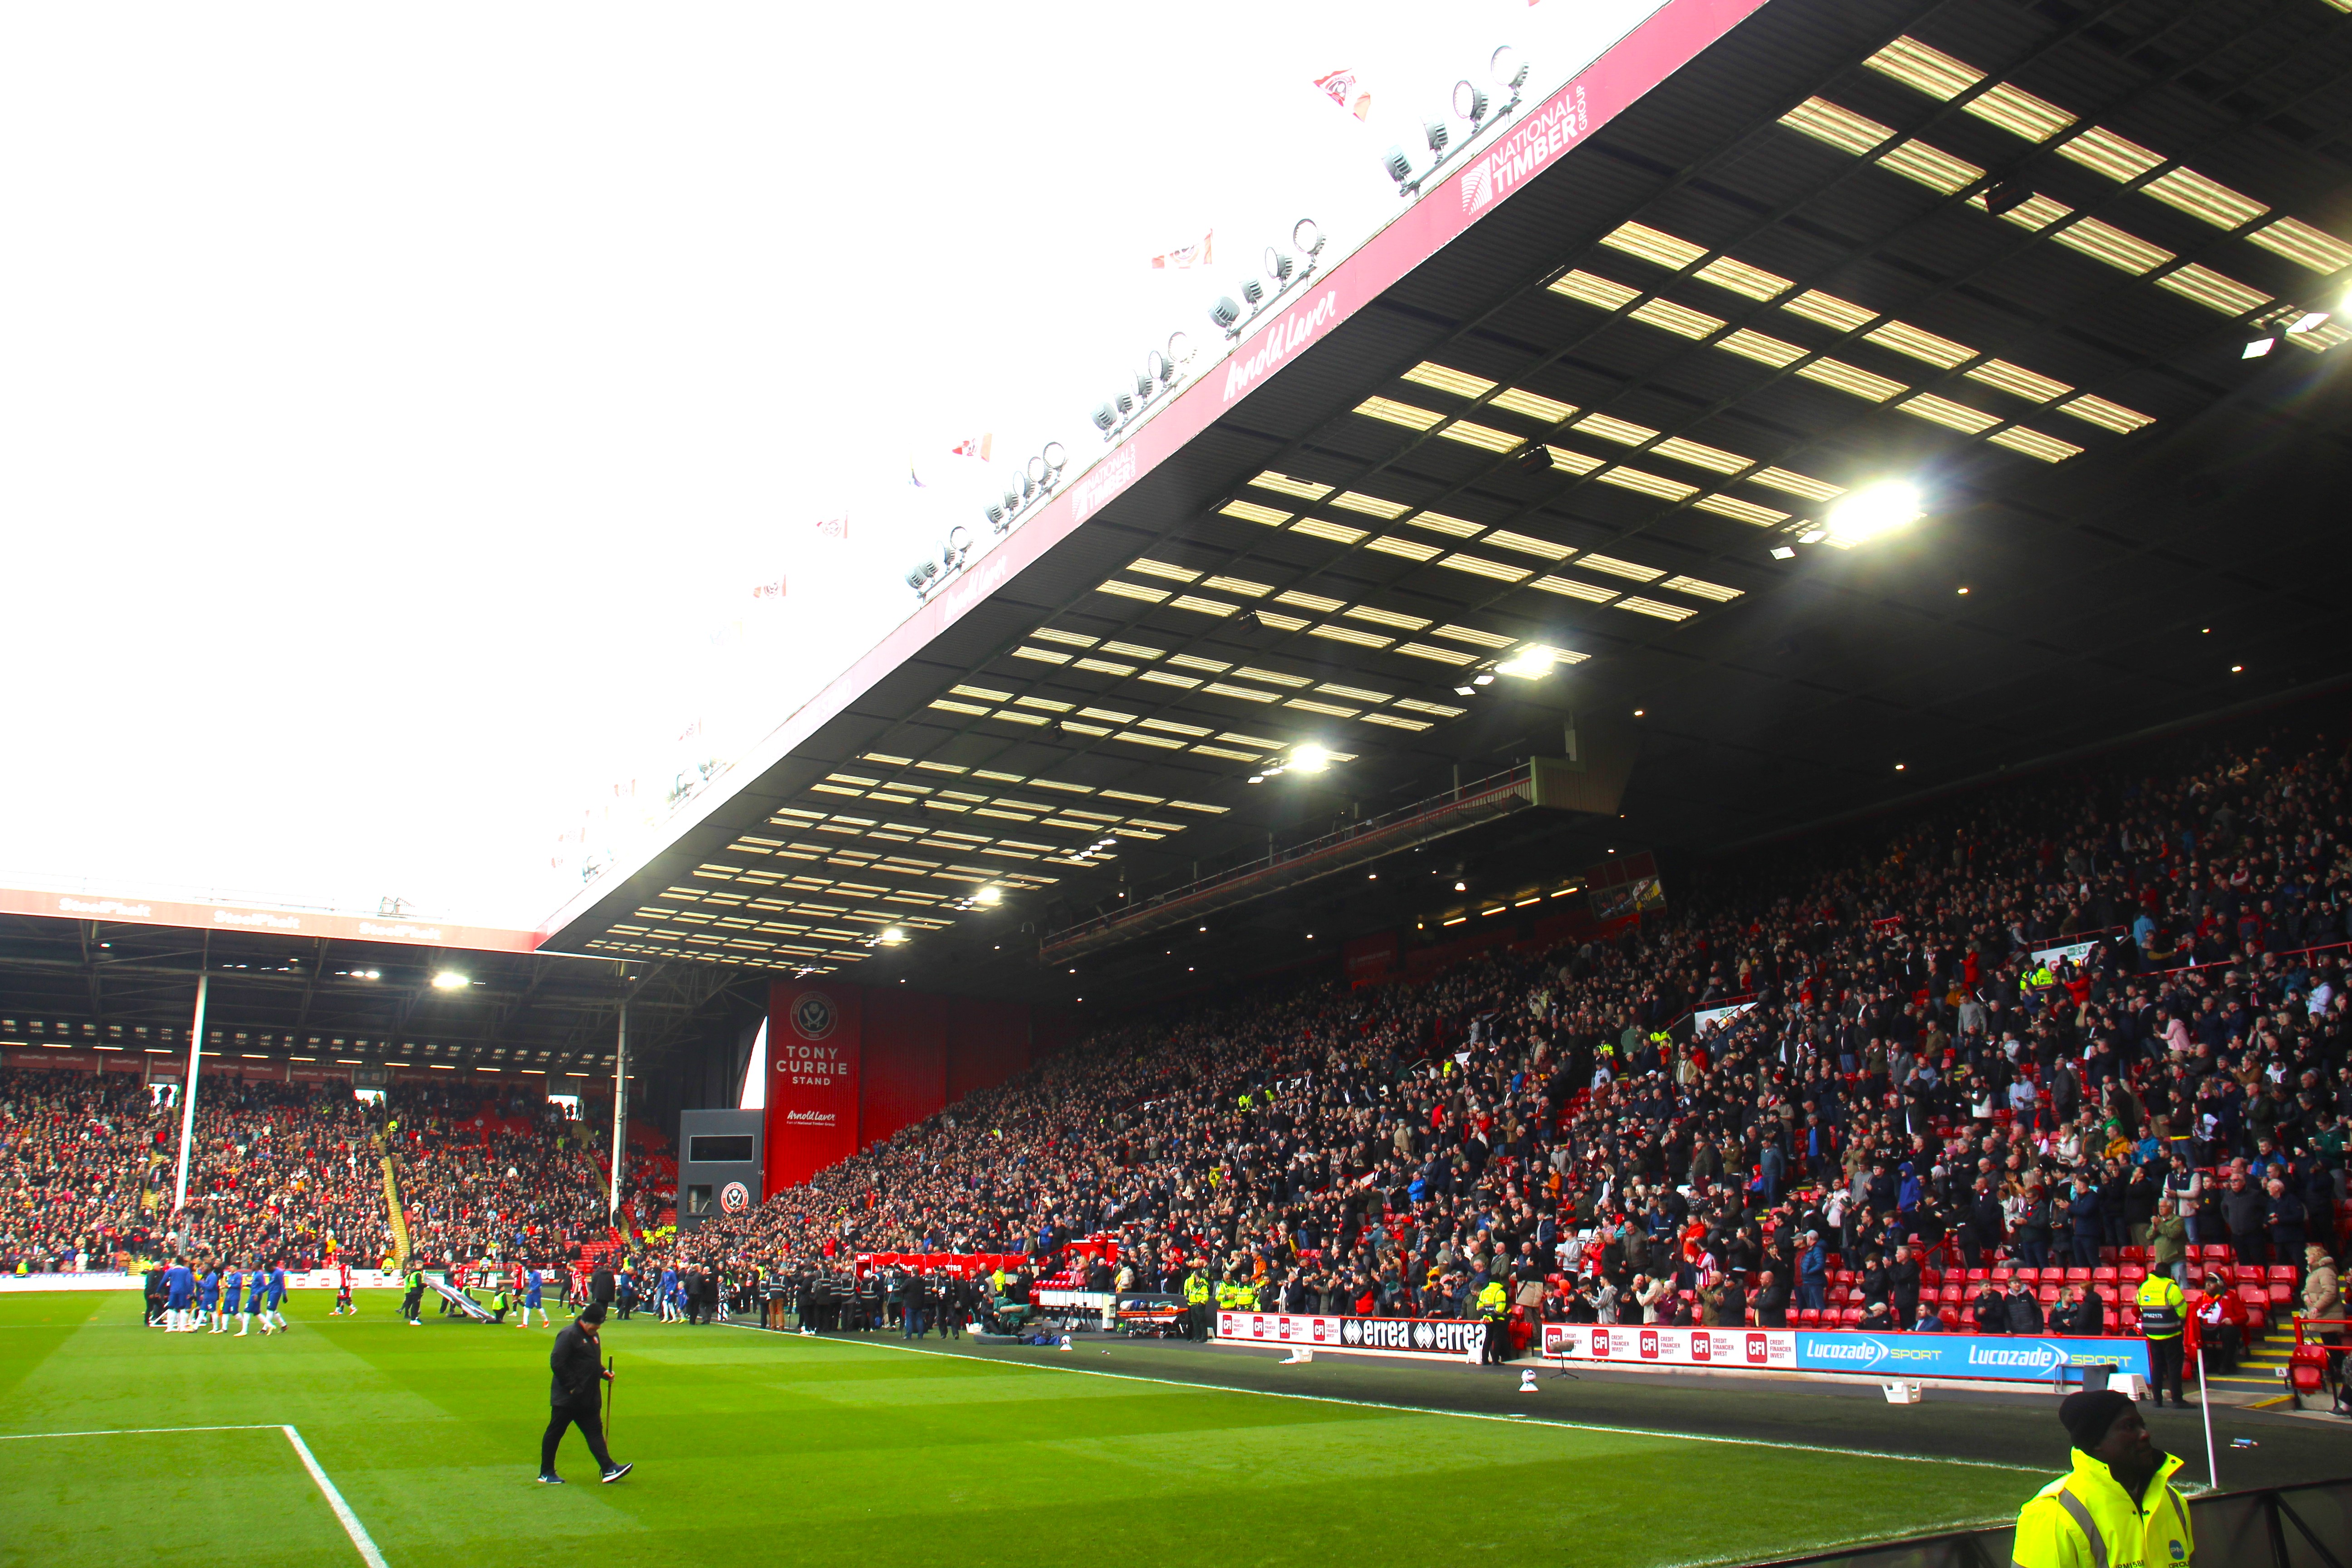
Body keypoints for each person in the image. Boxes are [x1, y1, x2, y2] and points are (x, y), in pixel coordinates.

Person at [2010, 1391, 2191, 1568]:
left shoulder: (2171, 1499)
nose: (2145, 1434)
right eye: (2129, 1426)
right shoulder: (2051, 1514)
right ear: (2096, 1442)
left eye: (2143, 1425)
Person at [538, 1303, 631, 1486]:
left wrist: (603, 1373)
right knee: (555, 1432)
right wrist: (572, 1387)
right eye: (595, 1326)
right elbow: (557, 1362)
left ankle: (608, 1468)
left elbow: (592, 1362)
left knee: (594, 1432)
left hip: (587, 1397)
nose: (597, 1329)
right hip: (568, 1398)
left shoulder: (593, 1336)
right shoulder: (569, 1335)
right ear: (585, 1321)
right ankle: (546, 1472)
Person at [2136, 1264, 2189, 1408]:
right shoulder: (2171, 1287)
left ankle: (2157, 1400)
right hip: (2171, 1332)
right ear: (2167, 1273)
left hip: (2152, 1332)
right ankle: (2177, 1399)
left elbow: (2141, 1306)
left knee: (2157, 1365)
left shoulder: (2144, 1286)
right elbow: (2182, 1310)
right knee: (2174, 1366)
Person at [517, 1263, 549, 1329]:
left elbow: (540, 1283)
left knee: (539, 1308)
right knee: (526, 1307)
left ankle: (546, 1320)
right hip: (531, 1294)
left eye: (529, 1269)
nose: (528, 1270)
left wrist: (533, 1289)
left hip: (536, 1294)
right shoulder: (530, 1274)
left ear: (532, 1268)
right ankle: (525, 1324)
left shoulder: (537, 1274)